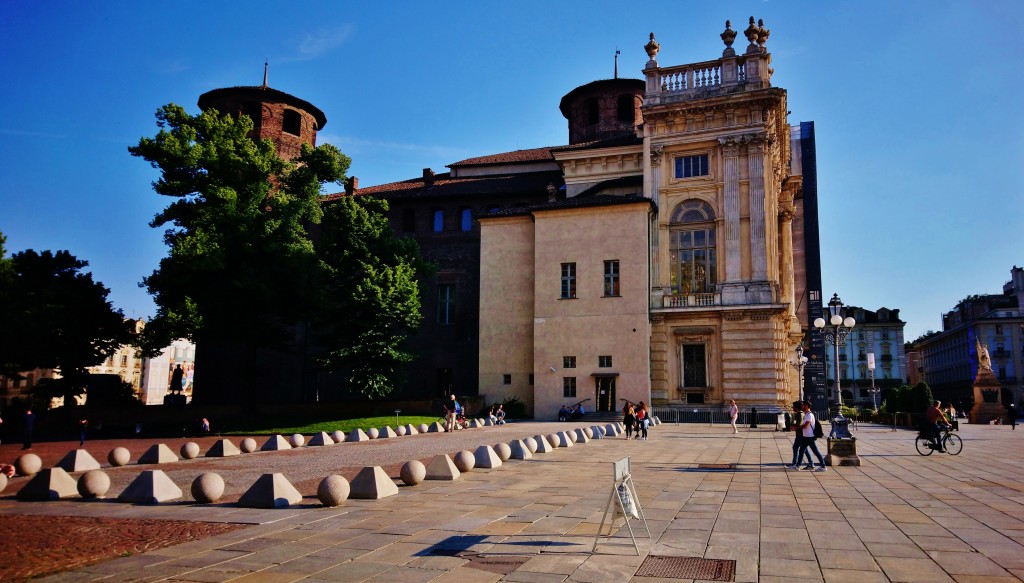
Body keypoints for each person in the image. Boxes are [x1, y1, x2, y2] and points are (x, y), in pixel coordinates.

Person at [796, 402, 827, 471]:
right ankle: (798, 466)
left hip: (810, 437)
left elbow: (805, 426)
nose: (802, 406)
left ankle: (823, 466)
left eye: (803, 405)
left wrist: (796, 427)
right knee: (801, 450)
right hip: (806, 436)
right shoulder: (806, 415)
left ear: (806, 406)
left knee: (815, 451)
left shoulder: (810, 415)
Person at [786, 401, 813, 470]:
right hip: (799, 435)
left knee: (805, 450)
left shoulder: (800, 414)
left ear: (796, 407)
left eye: (793, 407)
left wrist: (793, 426)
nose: (793, 408)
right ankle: (794, 463)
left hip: (801, 435)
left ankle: (810, 463)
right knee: (795, 448)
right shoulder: (798, 414)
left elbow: (800, 425)